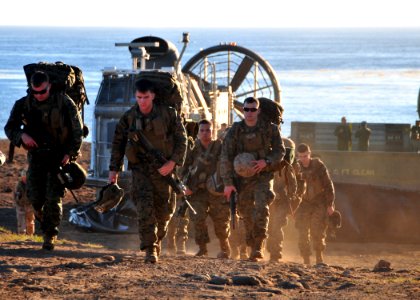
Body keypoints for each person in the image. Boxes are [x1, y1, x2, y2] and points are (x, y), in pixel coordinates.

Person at [108, 79, 187, 264]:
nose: (142, 101)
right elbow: (118, 144)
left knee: (164, 211)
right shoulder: (128, 118)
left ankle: (157, 239)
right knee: (144, 207)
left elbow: (182, 140)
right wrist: (114, 170)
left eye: (145, 97)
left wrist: (173, 163)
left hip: (164, 170)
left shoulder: (169, 115)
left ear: (153, 96)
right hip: (140, 170)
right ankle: (150, 248)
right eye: (138, 97)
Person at [4, 71, 83, 250]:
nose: (39, 96)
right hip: (37, 157)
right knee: (35, 197)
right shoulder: (24, 104)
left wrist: (70, 154)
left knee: (53, 198)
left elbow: (77, 131)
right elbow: (10, 127)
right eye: (35, 92)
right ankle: (46, 224)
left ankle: (50, 236)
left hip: (58, 158)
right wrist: (21, 135)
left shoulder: (64, 103)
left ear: (50, 87)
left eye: (42, 92)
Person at [220, 97, 285, 262]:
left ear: (259, 111)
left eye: (253, 109)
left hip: (262, 176)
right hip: (241, 178)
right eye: (246, 109)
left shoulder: (270, 129)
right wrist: (228, 184)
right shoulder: (236, 130)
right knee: (246, 213)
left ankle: (258, 247)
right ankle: (251, 243)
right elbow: (225, 157)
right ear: (243, 110)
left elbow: (280, 151)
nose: (249, 113)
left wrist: (267, 161)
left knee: (261, 207)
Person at [181, 119, 231, 258]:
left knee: (221, 220)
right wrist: (186, 186)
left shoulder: (220, 147)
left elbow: (227, 166)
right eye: (202, 130)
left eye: (207, 130)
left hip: (217, 190)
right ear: (198, 133)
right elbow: (184, 170)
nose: (205, 133)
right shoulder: (192, 149)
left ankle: (224, 247)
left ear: (213, 131)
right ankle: (202, 248)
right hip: (197, 191)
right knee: (198, 219)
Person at [295, 143, 335, 265]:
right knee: (302, 231)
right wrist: (293, 207)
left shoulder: (318, 166)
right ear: (298, 156)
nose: (303, 159)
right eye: (301, 156)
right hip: (303, 203)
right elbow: (291, 188)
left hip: (318, 201)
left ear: (309, 154)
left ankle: (319, 257)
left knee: (317, 230)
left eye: (305, 156)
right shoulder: (296, 167)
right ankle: (306, 259)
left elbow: (328, 185)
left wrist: (330, 204)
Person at [266, 137, 302, 262]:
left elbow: (295, 186)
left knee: (276, 226)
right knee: (268, 226)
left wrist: (291, 197)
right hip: (269, 200)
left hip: (282, 202)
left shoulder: (289, 168)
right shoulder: (269, 164)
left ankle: (275, 253)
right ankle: (268, 249)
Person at [14, 169, 35, 235]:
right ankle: (21, 234)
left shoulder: (32, 185)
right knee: (21, 221)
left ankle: (30, 235)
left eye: (26, 178)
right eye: (23, 177)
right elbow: (15, 195)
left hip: (30, 205)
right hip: (20, 205)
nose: (24, 179)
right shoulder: (18, 185)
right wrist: (17, 198)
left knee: (30, 222)